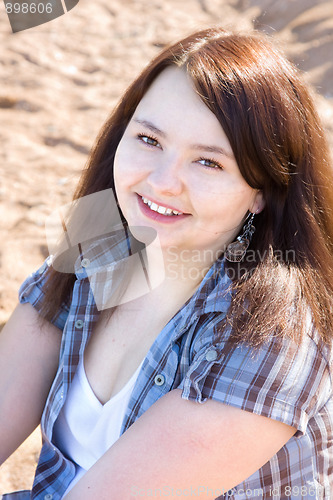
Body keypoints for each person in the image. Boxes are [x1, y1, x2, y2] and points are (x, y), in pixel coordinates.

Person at [0, 26, 333, 500]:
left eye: (208, 163)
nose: (162, 182)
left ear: (260, 193)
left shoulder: (270, 334)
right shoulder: (107, 240)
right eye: (150, 140)